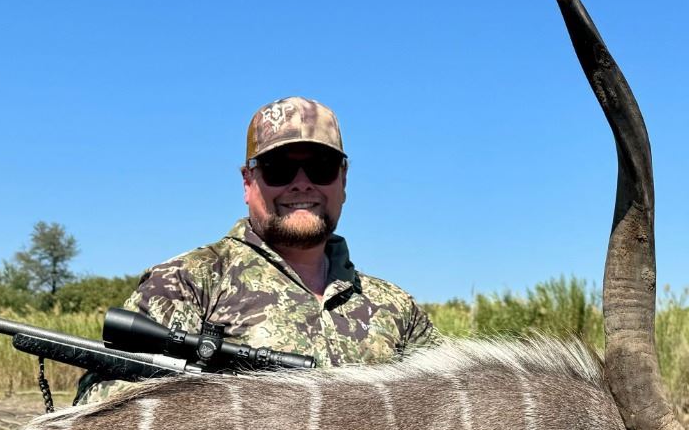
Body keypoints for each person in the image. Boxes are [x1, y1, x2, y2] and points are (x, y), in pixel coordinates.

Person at [77, 97, 437, 403]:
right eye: (279, 169)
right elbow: (98, 406)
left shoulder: (396, 308)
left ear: (343, 179)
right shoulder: (188, 283)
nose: (301, 184)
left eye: (320, 168)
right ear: (248, 182)